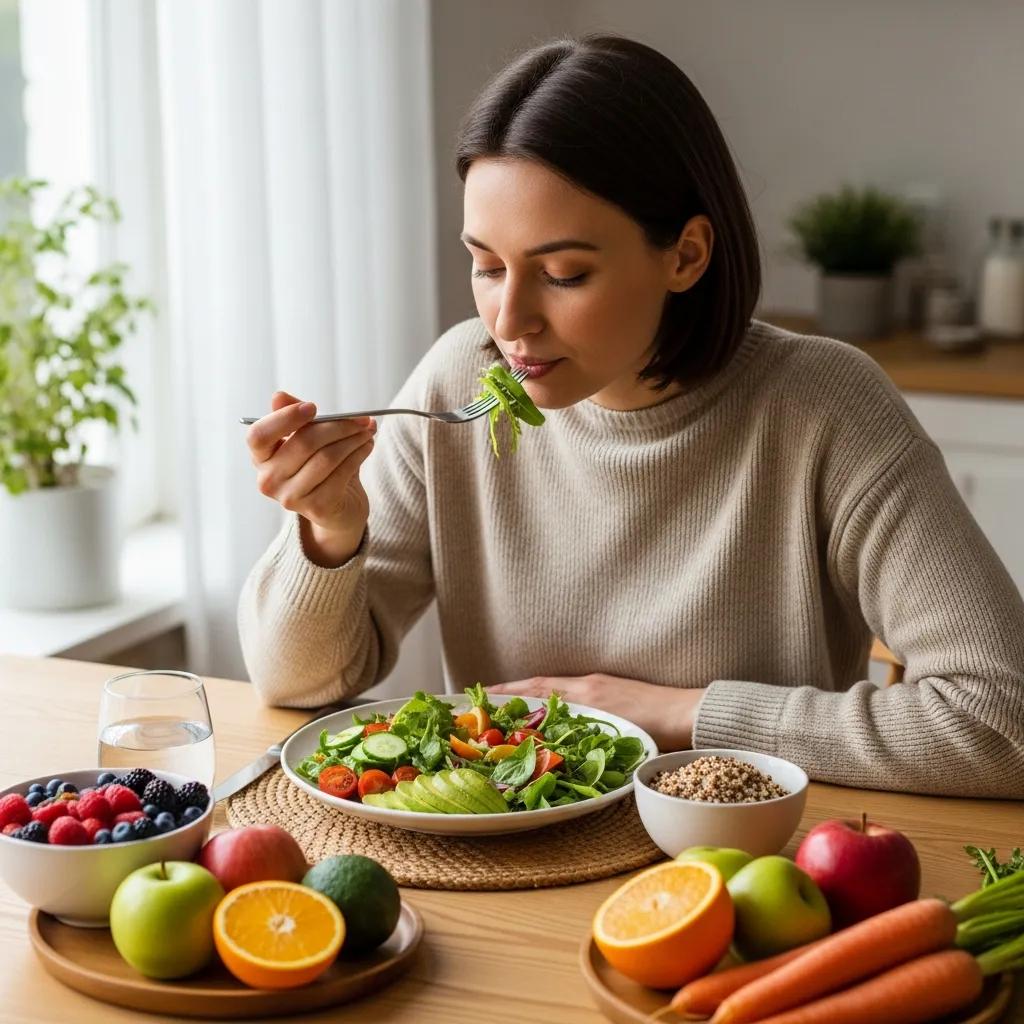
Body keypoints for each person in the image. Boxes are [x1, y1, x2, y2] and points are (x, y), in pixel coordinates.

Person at [238, 34, 1024, 798]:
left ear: (685, 255)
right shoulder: (459, 381)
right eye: (485, 264)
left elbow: (1003, 717)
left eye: (564, 273)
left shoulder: (823, 406)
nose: (509, 319)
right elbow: (298, 684)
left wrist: (687, 715)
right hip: (505, 869)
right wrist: (329, 532)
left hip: (744, 876)